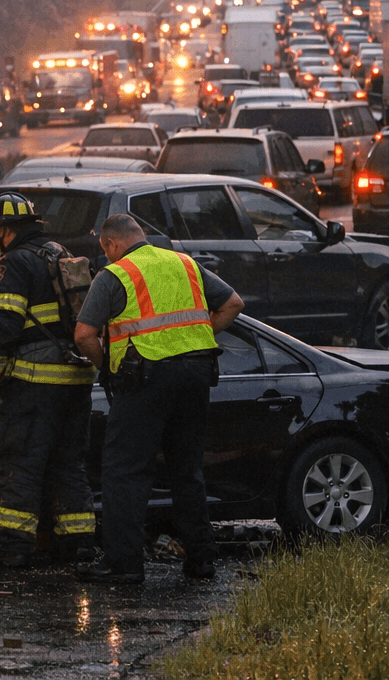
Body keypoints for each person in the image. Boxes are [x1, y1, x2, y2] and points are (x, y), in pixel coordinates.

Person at [73, 214, 244, 583]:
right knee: (187, 469)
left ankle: (124, 565)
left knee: (125, 470)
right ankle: (201, 560)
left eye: (106, 250)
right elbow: (233, 304)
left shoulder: (114, 274)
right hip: (197, 374)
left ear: (111, 245)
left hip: (145, 378)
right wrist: (195, 337)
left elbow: (84, 334)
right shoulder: (184, 263)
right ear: (143, 236)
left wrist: (109, 367)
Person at [0, 194, 97, 568]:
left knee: (18, 461)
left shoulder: (14, 262)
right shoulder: (58, 253)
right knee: (68, 464)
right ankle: (78, 543)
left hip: (34, 383)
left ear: (7, 231)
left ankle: (6, 545)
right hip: (77, 379)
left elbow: (3, 325)